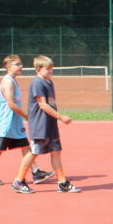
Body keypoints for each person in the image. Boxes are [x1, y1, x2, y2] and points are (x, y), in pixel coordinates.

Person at [11, 55, 81, 194]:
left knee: (56, 151)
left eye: (51, 68)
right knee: (34, 152)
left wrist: (55, 118)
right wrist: (61, 117)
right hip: (40, 125)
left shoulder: (49, 82)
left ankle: (62, 182)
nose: (50, 71)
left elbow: (51, 104)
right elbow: (42, 104)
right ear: (38, 69)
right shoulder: (37, 83)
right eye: (47, 68)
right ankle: (18, 181)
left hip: (50, 124)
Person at [0, 55, 53, 186]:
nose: (21, 66)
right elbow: (11, 104)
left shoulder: (14, 81)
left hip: (15, 122)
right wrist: (27, 116)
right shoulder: (8, 82)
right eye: (17, 64)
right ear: (9, 67)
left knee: (25, 146)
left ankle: (36, 172)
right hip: (6, 122)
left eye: (21, 64)